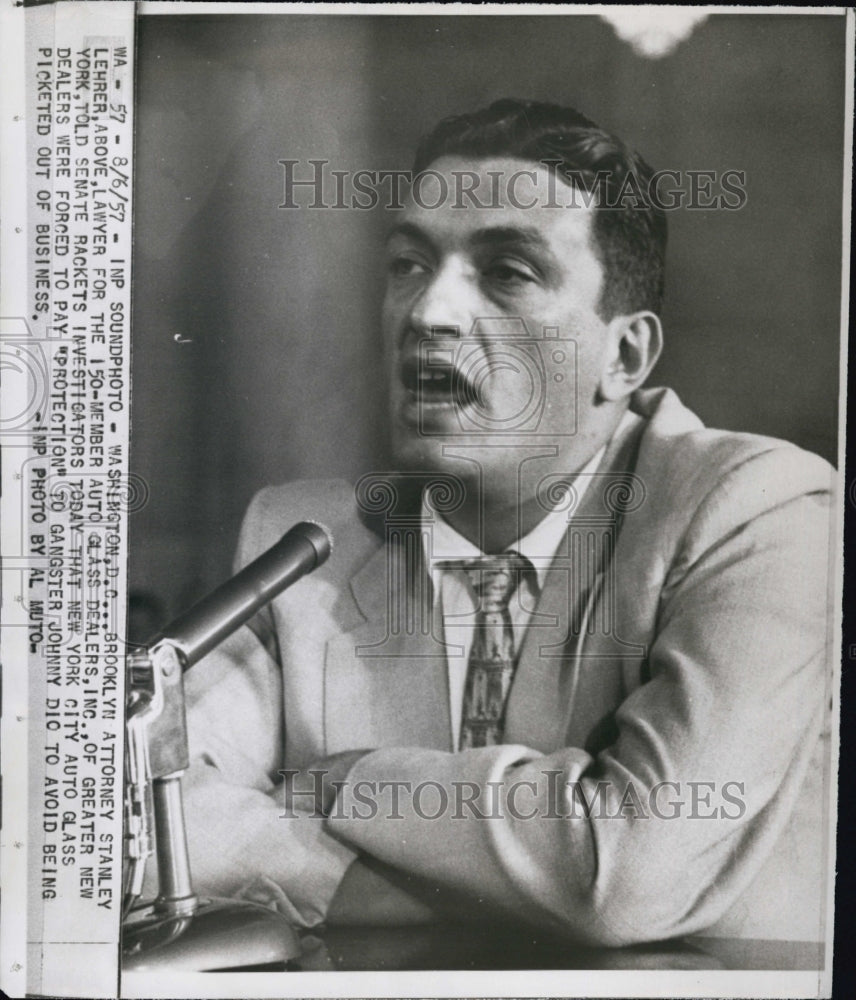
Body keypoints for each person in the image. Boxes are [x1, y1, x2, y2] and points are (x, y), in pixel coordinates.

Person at [174, 100, 834, 946]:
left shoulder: (759, 510)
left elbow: (623, 875)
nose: (428, 315)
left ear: (623, 357)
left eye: (508, 271)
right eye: (409, 264)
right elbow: (149, 815)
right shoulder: (305, 537)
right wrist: (428, 894)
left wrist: (344, 784)